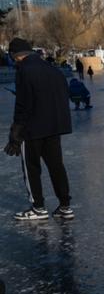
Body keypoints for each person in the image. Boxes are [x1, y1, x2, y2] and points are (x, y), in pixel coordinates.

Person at [3, 38, 74, 220]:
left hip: (33, 129)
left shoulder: (25, 71)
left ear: (15, 56)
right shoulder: (53, 69)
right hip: (54, 127)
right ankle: (65, 206)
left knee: (31, 168)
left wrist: (16, 133)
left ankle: (38, 207)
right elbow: (61, 95)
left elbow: (23, 105)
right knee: (56, 166)